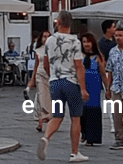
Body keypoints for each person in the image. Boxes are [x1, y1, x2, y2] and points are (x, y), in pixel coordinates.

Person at [37, 10, 89, 162]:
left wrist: (52, 76)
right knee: (75, 118)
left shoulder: (49, 41)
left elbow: (46, 64)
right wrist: (83, 88)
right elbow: (79, 66)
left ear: (58, 22)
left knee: (57, 116)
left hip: (55, 82)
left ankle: (46, 137)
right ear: (70, 23)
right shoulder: (74, 41)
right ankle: (74, 152)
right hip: (71, 83)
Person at [79, 32, 108, 146]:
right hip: (82, 84)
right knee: (81, 111)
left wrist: (107, 88)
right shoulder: (79, 56)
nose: (86, 44)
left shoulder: (98, 57)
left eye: (88, 42)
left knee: (93, 110)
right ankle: (83, 132)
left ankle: (92, 137)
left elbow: (103, 74)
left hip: (94, 86)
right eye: (84, 42)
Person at [28, 30, 53, 133]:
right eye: (44, 36)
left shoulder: (53, 49)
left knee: (49, 98)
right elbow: (36, 65)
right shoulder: (38, 50)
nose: (46, 39)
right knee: (41, 96)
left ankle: (49, 118)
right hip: (40, 74)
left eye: (48, 37)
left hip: (51, 75)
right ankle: (41, 121)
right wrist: (32, 79)